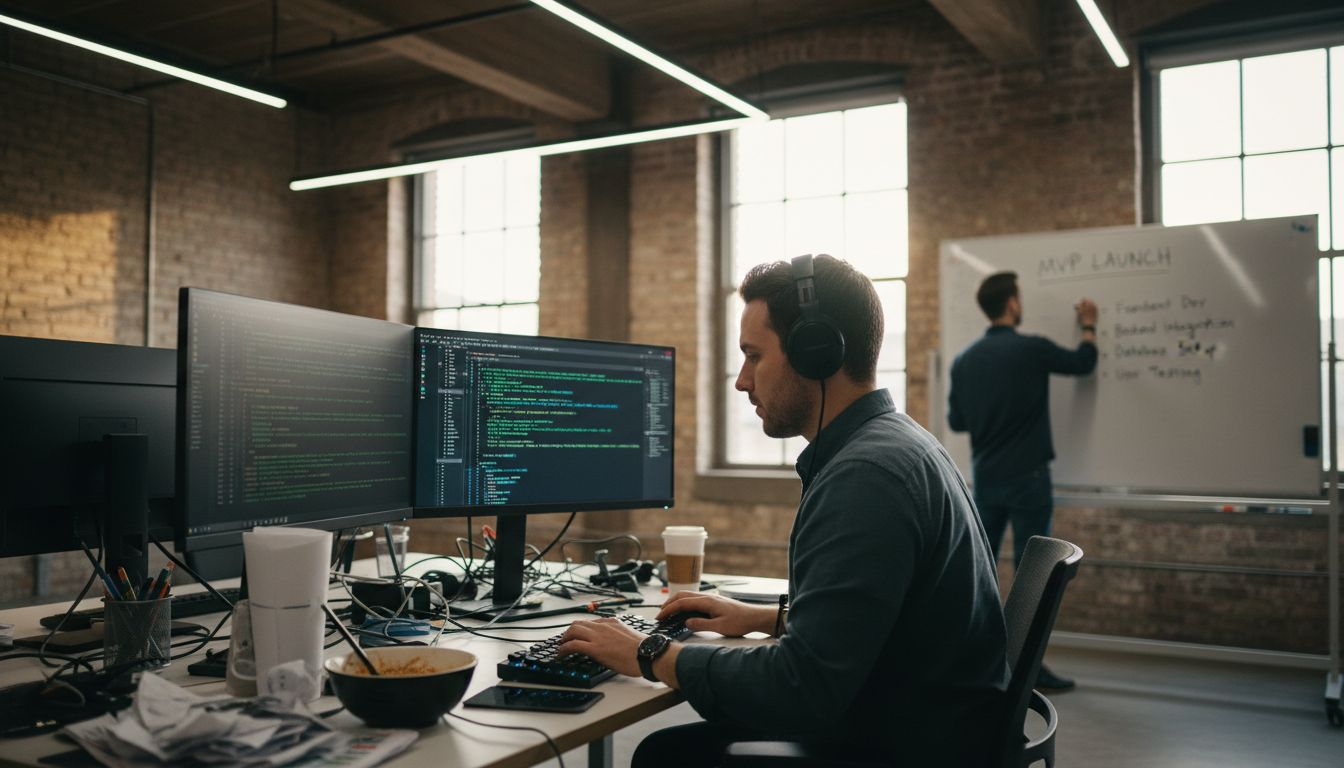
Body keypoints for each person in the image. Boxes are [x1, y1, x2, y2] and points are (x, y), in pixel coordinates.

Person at [559, 255, 1008, 767]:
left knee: (666, 756)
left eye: (754, 355)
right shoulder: (896, 442)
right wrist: (766, 617)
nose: (742, 380)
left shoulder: (865, 477)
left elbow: (801, 687)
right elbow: (884, 619)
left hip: (909, 745)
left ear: (815, 353)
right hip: (931, 719)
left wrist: (649, 653)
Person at [947, 271, 1097, 691]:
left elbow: (958, 421)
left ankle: (982, 664)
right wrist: (1088, 325)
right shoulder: (1031, 350)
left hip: (987, 478)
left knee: (982, 573)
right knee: (1037, 576)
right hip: (1029, 479)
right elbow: (1084, 362)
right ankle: (1029, 667)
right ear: (1012, 304)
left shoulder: (964, 360)